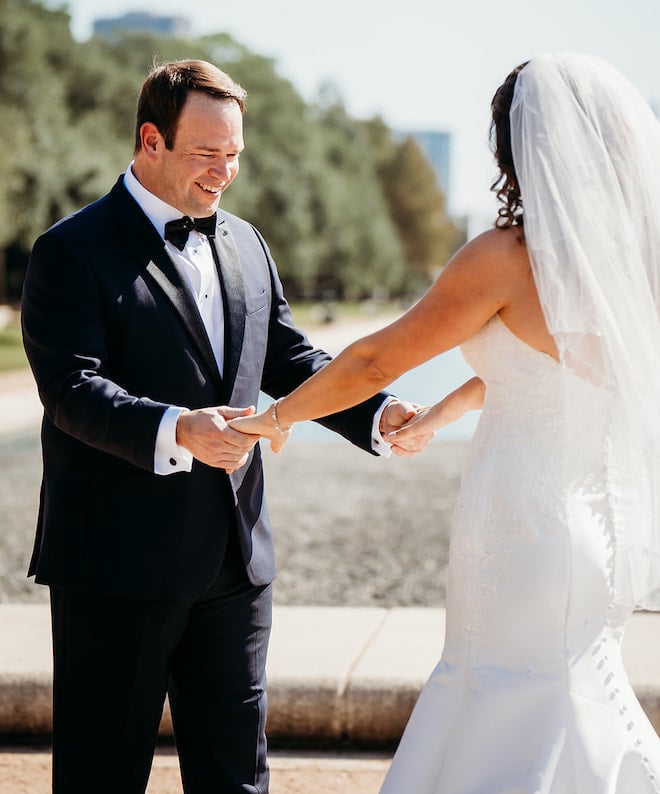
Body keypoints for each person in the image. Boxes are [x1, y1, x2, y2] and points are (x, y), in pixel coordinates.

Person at [232, 53, 660, 791]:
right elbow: (546, 375)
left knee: (501, 697)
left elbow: (374, 361)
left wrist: (278, 417)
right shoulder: (622, 263)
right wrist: (442, 410)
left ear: (517, 148)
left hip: (522, 527)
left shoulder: (504, 257)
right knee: (568, 695)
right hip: (594, 530)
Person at [20, 59, 431, 794]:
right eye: (207, 153)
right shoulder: (69, 251)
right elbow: (70, 391)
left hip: (236, 563)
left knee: (238, 775)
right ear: (151, 140)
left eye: (234, 153)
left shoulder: (248, 243)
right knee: (100, 775)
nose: (224, 171)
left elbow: (288, 356)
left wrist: (374, 410)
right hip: (116, 566)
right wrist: (179, 429)